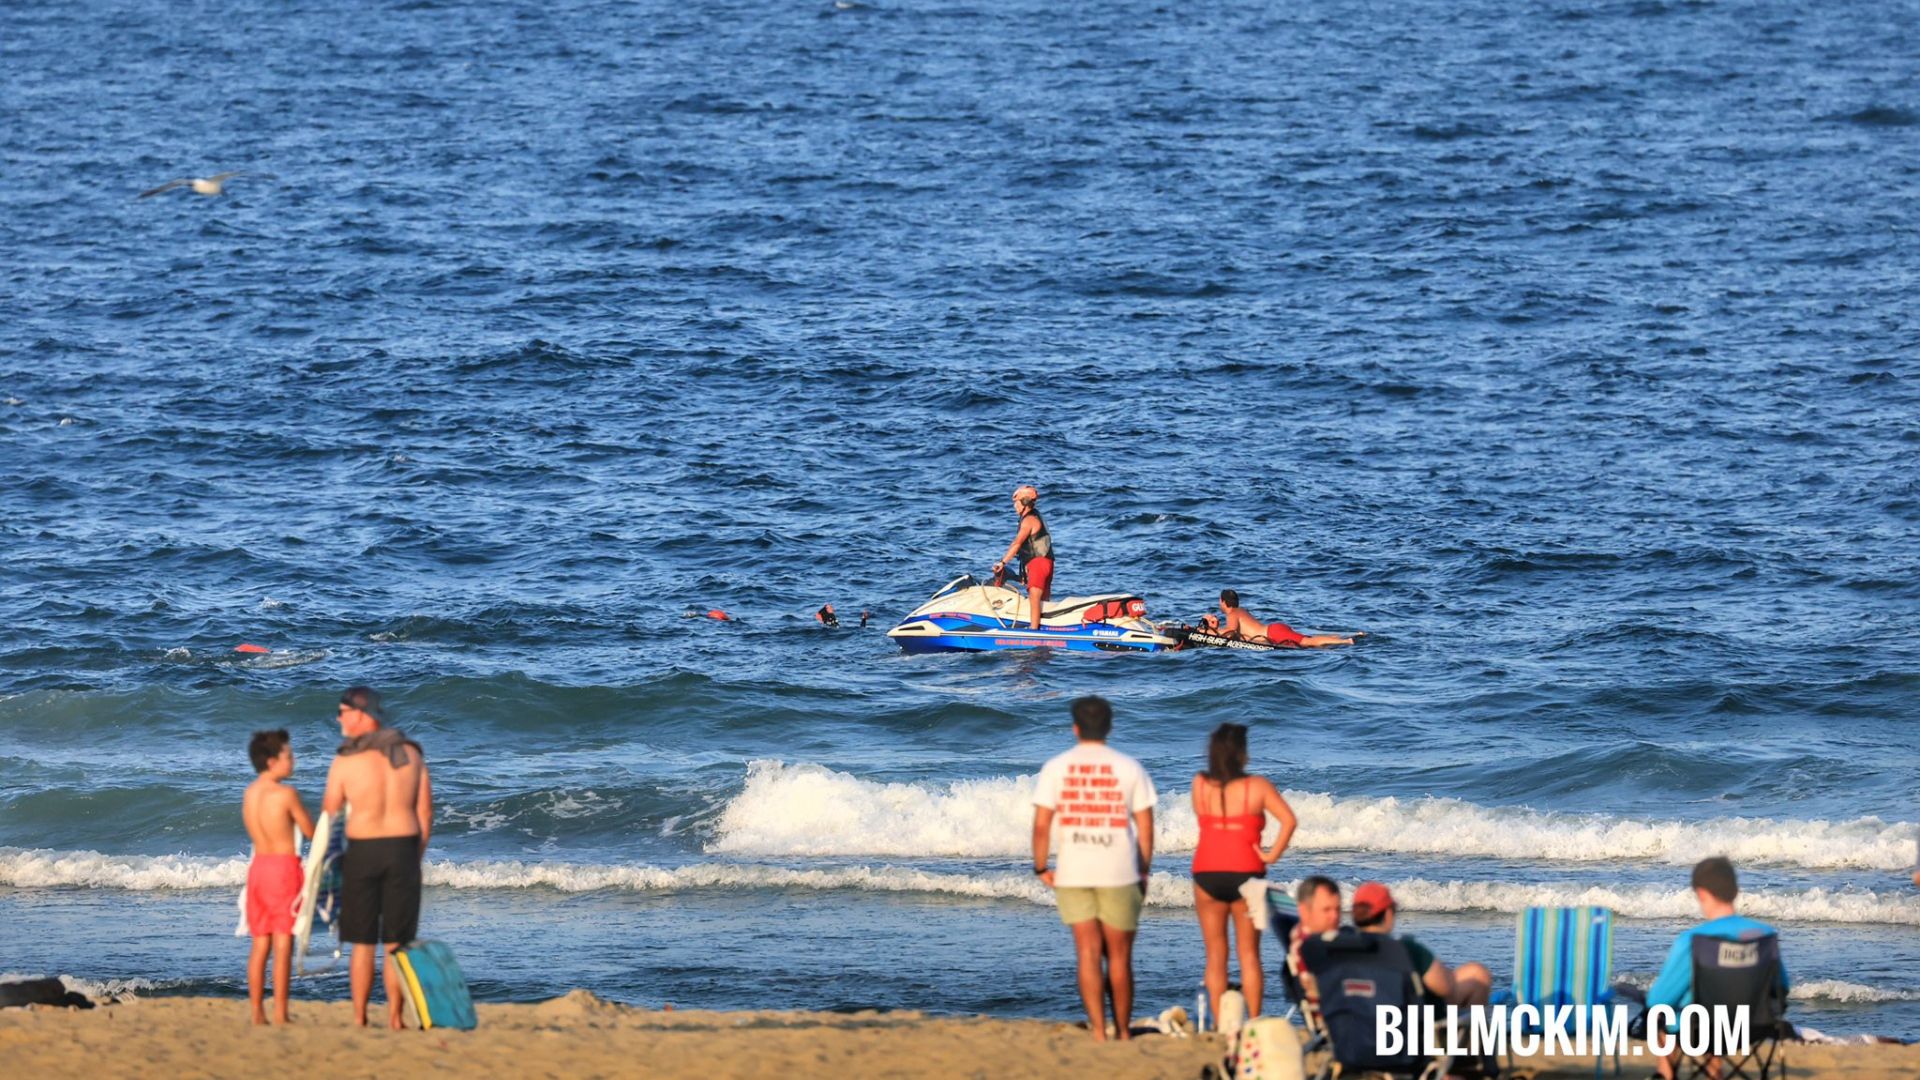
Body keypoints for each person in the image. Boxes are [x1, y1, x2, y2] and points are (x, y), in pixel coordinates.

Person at [1031, 695, 1156, 1041]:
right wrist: (1143, 871)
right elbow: (1145, 828)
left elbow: (1042, 825)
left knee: (1087, 952)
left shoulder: (1056, 767)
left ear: (1075, 728)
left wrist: (1041, 867)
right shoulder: (1130, 767)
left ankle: (1099, 1031)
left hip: (1074, 871)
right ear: (1109, 727)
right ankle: (1124, 1033)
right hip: (1120, 871)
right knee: (1120, 956)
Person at [323, 686, 434, 1029]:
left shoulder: (346, 759)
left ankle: (360, 1019)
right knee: (397, 944)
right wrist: (414, 855)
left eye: (343, 712)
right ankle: (396, 1019)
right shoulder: (412, 754)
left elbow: (330, 814)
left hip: (364, 852)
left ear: (361, 714)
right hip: (402, 849)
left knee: (363, 943)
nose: (339, 718)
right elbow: (425, 814)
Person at [1190, 723, 1297, 1020]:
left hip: (1206, 873)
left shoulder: (1199, 783)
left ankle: (1217, 1026)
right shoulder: (1257, 786)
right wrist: (1271, 854)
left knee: (1215, 956)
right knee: (1249, 955)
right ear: (1242, 754)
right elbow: (1289, 820)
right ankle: (1251, 1022)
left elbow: (1204, 818)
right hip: (1246, 875)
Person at [1647, 857, 1789, 1080]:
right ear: (1735, 891)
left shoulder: (1693, 941)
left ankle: (1665, 1076)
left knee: (1666, 1018)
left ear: (1702, 894)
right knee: (1713, 1007)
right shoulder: (1765, 936)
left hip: (1702, 1030)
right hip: (1755, 1028)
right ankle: (1715, 1073)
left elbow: (1658, 1001)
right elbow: (1782, 987)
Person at [242, 729, 314, 1025]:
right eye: (288, 756)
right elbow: (311, 832)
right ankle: (281, 1012)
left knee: (261, 944)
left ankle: (258, 1012)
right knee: (283, 942)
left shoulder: (250, 793)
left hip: (258, 868)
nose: (293, 760)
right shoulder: (286, 794)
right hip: (283, 869)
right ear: (271, 761)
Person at [1351, 881, 1491, 1007]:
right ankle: (1468, 1035)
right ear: (1388, 913)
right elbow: (1446, 988)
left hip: (1359, 1021)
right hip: (1405, 1024)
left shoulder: (1339, 949)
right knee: (1478, 974)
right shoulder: (1405, 950)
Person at [1205, 589, 1361, 647]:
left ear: (1223, 602)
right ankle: (1349, 636)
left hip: (1273, 633)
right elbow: (1243, 635)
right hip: (1274, 631)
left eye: (1219, 601)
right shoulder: (1240, 611)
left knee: (1307, 642)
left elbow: (1230, 632)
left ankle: (1345, 641)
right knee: (1307, 638)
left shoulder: (1232, 613)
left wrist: (1212, 629)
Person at [993, 484, 1054, 630]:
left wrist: (1003, 562)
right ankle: (1044, 628)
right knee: (1042, 601)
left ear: (1025, 503)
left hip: (1038, 564)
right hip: (1047, 563)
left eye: (1016, 503)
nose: (1015, 506)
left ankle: (1034, 631)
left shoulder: (1028, 520)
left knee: (1034, 598)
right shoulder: (1036, 516)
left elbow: (1017, 543)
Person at [1286, 875, 1343, 1010]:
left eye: (1337, 909)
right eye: (1326, 910)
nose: (1335, 916)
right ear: (1304, 910)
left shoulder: (1323, 939)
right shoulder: (1310, 947)